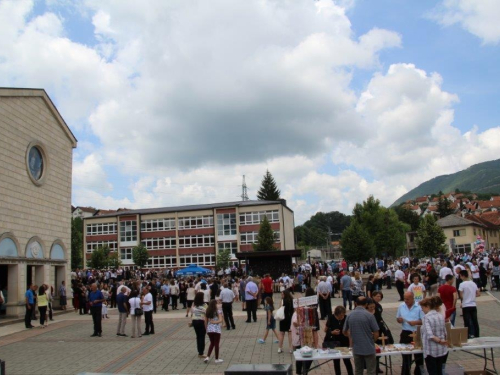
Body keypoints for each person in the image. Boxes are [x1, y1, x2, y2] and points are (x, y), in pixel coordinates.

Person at [343, 297, 379, 375]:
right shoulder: (369, 315)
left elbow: (344, 331)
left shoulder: (349, 315)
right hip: (368, 347)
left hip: (356, 347)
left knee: (358, 370)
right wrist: (372, 341)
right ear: (366, 304)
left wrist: (351, 336)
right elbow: (376, 332)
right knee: (371, 371)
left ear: (355, 303)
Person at [396, 292, 425, 375]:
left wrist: (415, 322)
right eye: (405, 298)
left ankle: (419, 372)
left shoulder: (419, 307)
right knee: (405, 356)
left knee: (418, 356)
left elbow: (424, 320)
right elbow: (398, 318)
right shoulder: (401, 306)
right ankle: (405, 372)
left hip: (417, 332)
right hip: (405, 332)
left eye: (408, 299)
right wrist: (399, 320)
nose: (406, 300)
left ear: (413, 298)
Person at [420, 297, 448, 375]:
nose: (422, 310)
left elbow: (430, 335)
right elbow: (445, 332)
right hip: (441, 350)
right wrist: (443, 341)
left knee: (432, 372)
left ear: (427, 307)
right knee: (439, 371)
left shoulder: (426, 317)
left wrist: (439, 340)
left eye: (422, 308)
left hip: (430, 350)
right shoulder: (440, 316)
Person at [325, 306, 353, 375]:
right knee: (336, 361)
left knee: (347, 360)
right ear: (336, 314)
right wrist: (332, 332)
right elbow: (325, 330)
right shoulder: (331, 318)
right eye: (340, 315)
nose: (342, 316)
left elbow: (349, 332)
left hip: (344, 341)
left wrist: (350, 345)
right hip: (334, 342)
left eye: (343, 314)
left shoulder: (346, 318)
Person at [458, 269, 480, 338]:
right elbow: (478, 293)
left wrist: (463, 300)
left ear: (463, 276)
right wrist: (472, 296)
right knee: (475, 321)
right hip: (473, 304)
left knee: (467, 321)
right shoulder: (473, 283)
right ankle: (477, 334)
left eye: (460, 276)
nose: (460, 277)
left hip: (466, 305)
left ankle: (467, 335)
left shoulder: (462, 284)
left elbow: (461, 295)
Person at [204, 299, 224, 364]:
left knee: (212, 343)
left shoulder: (207, 311)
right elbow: (220, 320)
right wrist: (215, 322)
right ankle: (216, 359)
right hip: (216, 329)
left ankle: (207, 356)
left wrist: (206, 329)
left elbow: (205, 321)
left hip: (209, 329)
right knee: (216, 344)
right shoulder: (218, 311)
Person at [191, 292, 207, 358]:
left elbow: (192, 312)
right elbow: (207, 314)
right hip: (201, 321)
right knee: (202, 337)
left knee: (198, 336)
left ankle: (199, 351)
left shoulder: (194, 304)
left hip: (195, 320)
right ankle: (201, 352)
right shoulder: (204, 305)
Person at [278, 289, 294, 354]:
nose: (281, 295)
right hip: (290, 318)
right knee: (290, 333)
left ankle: (280, 348)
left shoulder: (282, 301)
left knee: (282, 333)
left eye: (282, 294)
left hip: (283, 318)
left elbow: (280, 308)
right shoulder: (292, 300)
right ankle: (290, 348)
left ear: (285, 294)